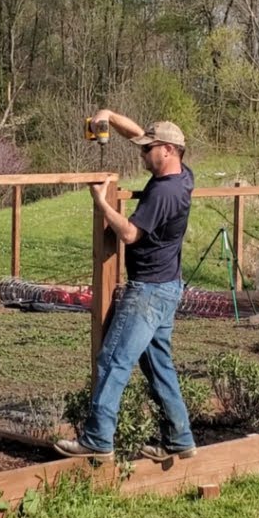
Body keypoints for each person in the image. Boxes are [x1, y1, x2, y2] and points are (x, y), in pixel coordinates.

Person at [54, 110, 197, 463]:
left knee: (113, 361)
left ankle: (98, 439)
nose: (141, 153)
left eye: (149, 149)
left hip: (146, 293)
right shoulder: (183, 176)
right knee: (158, 367)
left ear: (166, 150)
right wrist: (110, 117)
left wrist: (102, 202)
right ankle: (180, 439)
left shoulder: (163, 193)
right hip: (167, 288)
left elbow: (131, 234)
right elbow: (140, 135)